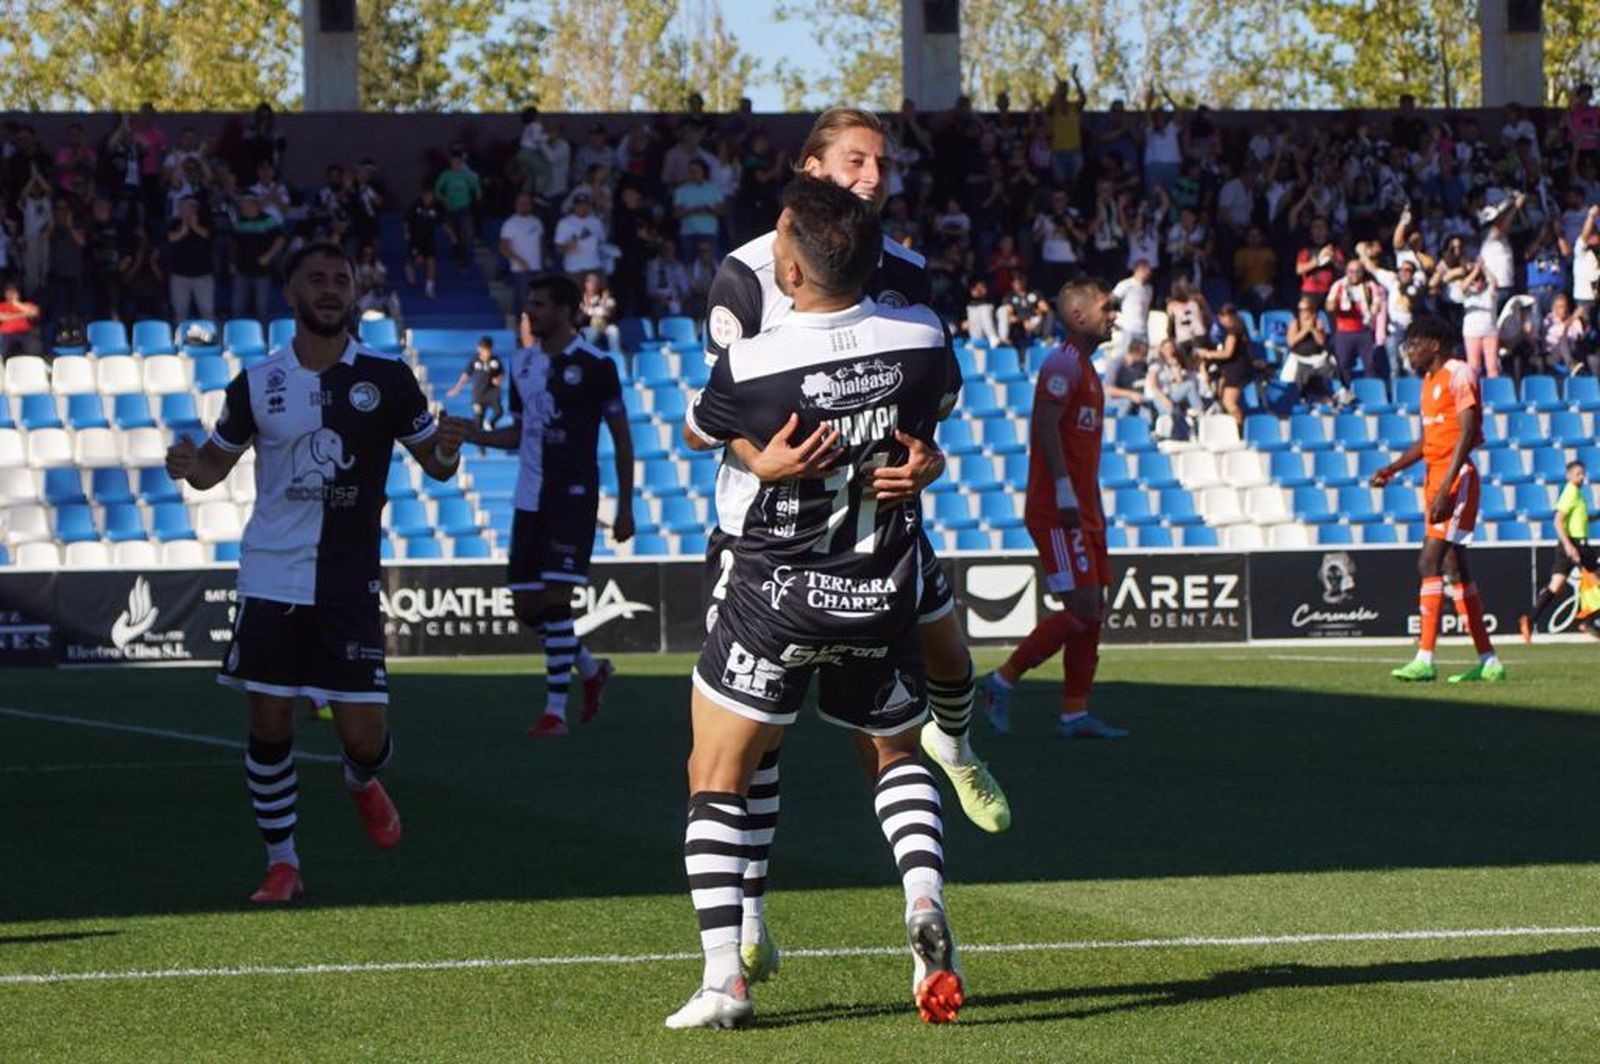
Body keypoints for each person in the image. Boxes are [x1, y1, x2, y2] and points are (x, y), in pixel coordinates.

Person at [698, 108, 1010, 990]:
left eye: (881, 161)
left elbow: (930, 414)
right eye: (855, 160)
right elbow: (726, 413)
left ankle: (956, 747)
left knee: (944, 652)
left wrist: (931, 463)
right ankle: (751, 910)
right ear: (810, 169)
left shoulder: (903, 267)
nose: (872, 175)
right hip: (762, 530)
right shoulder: (746, 273)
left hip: (876, 523)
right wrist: (761, 457)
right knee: (758, 742)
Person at [668, 175, 964, 1030]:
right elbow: (932, 421)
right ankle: (921, 900)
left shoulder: (755, 361)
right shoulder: (920, 333)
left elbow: (697, 428)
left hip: (780, 594)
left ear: (789, 273)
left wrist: (759, 457)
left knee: (715, 772)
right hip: (880, 588)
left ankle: (726, 974)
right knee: (898, 756)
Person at [162, 241, 468, 904]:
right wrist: (188, 465)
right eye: (317, 279)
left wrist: (447, 449)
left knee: (366, 739)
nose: (331, 289)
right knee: (269, 723)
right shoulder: (256, 382)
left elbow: (436, 467)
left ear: (354, 294)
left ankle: (361, 782)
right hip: (271, 575)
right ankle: (283, 862)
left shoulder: (389, 379)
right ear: (291, 294)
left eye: (342, 280)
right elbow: (214, 468)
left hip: (347, 579)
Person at [463, 275, 634, 737]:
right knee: (526, 605)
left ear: (566, 309)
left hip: (573, 495)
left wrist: (625, 506)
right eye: (528, 305)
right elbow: (518, 434)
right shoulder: (520, 365)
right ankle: (590, 668)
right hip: (528, 497)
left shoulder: (596, 364)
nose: (529, 313)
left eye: (538, 305)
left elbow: (621, 437)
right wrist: (472, 433)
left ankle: (554, 711)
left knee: (557, 600)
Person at [980, 280, 1129, 740]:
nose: (1115, 316)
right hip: (1058, 509)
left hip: (1084, 508)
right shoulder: (1063, 362)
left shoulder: (1084, 366)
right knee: (1082, 607)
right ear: (1080, 316)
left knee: (1093, 610)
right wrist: (1064, 491)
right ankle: (1000, 682)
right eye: (1107, 308)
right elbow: (1045, 425)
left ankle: (1074, 713)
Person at [1371, 315, 1504, 683]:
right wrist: (1392, 468)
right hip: (1436, 479)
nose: (1410, 351)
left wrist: (1447, 488)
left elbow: (1467, 431)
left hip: (1454, 479)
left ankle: (1425, 658)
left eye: (1414, 344)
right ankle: (1489, 661)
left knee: (1428, 562)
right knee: (1454, 569)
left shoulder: (1459, 372)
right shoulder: (1428, 382)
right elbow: (1429, 441)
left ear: (1434, 344)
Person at [1522, 460, 1599, 642]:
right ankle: (1587, 622)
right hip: (1575, 545)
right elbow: (1558, 520)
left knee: (1555, 587)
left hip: (1574, 545)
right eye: (1578, 473)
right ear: (1570, 475)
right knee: (1596, 582)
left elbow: (1581, 520)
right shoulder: (1570, 492)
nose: (1582, 477)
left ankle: (1530, 619)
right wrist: (1569, 545)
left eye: (1583, 473)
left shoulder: (1578, 494)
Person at [446, 336, 505, 448]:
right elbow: (465, 376)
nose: (486, 352)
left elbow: (501, 374)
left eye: (488, 350)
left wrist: (498, 380)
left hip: (492, 393)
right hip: (479, 395)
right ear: (479, 349)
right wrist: (456, 389)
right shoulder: (474, 361)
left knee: (499, 412)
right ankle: (481, 448)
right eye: (484, 349)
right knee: (478, 423)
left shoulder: (495, 361)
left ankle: (490, 423)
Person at [499, 191, 545, 311]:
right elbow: (503, 247)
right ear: (516, 204)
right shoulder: (510, 223)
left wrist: (543, 261)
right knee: (523, 301)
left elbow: (540, 244)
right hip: (520, 270)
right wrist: (519, 260)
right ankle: (521, 327)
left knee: (537, 301)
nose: (524, 205)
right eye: (521, 203)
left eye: (527, 203)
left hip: (537, 268)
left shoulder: (537, 222)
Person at [404, 186, 445, 298]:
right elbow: (407, 221)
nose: (428, 198)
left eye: (430, 196)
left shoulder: (435, 208)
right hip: (416, 239)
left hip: (429, 239)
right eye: (426, 195)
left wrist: (452, 235)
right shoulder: (416, 206)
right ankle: (409, 267)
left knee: (431, 262)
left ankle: (429, 289)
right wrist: (406, 232)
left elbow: (442, 222)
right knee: (419, 261)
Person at [0, 278, 43, 357]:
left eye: (14, 291)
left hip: (26, 334)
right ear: (5, 294)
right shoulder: (2, 305)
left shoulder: (28, 304)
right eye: (9, 291)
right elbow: (2, 317)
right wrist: (23, 315)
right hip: (6, 334)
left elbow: (35, 313)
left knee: (35, 348)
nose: (11, 294)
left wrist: (16, 304)